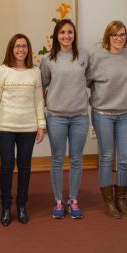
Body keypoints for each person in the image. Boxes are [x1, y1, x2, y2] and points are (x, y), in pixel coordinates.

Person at [0, 34, 46, 226]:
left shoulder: (35, 72)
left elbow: (39, 99)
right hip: (5, 126)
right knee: (6, 166)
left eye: (24, 46)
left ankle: (21, 205)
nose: (21, 49)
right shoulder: (2, 71)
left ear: (28, 49)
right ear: (11, 49)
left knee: (25, 167)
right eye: (17, 46)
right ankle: (5, 207)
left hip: (28, 127)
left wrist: (41, 124)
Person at [40, 19, 90, 219]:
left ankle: (74, 199)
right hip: (56, 117)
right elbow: (42, 85)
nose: (66, 36)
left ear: (74, 35)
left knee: (77, 159)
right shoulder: (48, 59)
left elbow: (92, 79)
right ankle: (59, 201)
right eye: (62, 33)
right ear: (56, 36)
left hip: (80, 116)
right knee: (58, 159)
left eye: (70, 32)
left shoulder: (84, 55)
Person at [87, 20, 127, 219]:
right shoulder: (97, 57)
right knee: (106, 157)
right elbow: (86, 82)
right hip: (103, 114)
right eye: (115, 35)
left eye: (122, 34)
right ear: (108, 36)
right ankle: (108, 201)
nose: (119, 38)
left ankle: (121, 198)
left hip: (125, 113)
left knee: (125, 157)